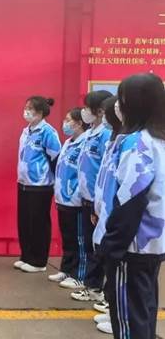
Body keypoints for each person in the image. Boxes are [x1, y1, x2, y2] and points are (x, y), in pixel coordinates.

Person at [88, 74, 165, 339]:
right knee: (142, 313)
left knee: (129, 319)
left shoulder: (138, 143)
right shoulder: (157, 140)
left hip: (131, 247)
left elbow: (130, 200)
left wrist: (111, 247)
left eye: (121, 99)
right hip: (150, 245)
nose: (117, 106)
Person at [70, 90, 113, 301]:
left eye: (88, 108)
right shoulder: (90, 133)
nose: (84, 112)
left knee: (99, 246)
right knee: (89, 244)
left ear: (100, 111)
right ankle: (92, 284)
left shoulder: (106, 134)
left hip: (98, 199)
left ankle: (97, 287)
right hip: (86, 196)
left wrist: (98, 200)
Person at [15, 96, 62, 273]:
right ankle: (26, 256)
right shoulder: (26, 131)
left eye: (30, 108)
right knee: (25, 221)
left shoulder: (48, 132)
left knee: (38, 223)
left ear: (40, 112)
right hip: (23, 183)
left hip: (40, 185)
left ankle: (39, 261)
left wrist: (54, 182)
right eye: (26, 107)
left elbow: (56, 158)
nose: (26, 111)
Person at [50, 108, 88, 289]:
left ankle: (80, 275)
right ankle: (67, 269)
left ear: (79, 123)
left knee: (80, 240)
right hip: (63, 198)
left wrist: (77, 193)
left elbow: (84, 172)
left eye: (68, 120)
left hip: (76, 200)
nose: (65, 123)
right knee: (68, 238)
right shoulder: (68, 142)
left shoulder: (85, 143)